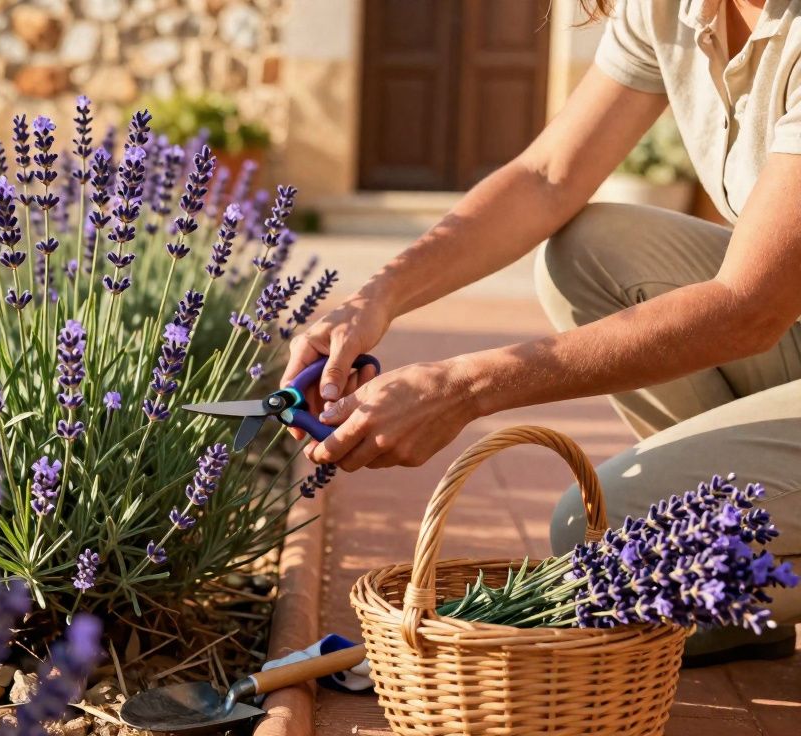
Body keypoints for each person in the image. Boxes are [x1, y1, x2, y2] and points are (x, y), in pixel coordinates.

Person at [285, 0, 800, 664]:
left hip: (765, 314)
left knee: (606, 534)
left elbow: (747, 308)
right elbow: (546, 177)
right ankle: (739, 577)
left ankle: (735, 558)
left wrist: (462, 389)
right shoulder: (676, 7)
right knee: (587, 251)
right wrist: (374, 299)